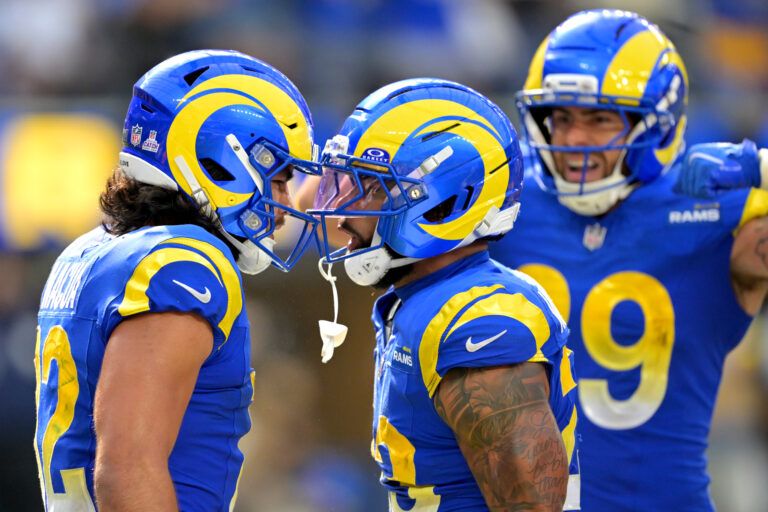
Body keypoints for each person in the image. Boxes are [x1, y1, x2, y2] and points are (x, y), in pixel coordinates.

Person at [488, 9, 768, 511]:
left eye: (599, 119)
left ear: (656, 124)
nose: (574, 140)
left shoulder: (716, 215)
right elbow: (332, 207)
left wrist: (759, 165)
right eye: (562, 117)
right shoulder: (503, 203)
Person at [33, 49, 320, 511]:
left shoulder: (90, 249)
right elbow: (127, 471)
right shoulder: (182, 263)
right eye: (278, 177)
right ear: (218, 158)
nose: (285, 201)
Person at [308, 78, 580, 511]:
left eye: (372, 188)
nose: (343, 213)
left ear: (443, 201)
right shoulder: (428, 299)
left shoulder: (479, 319)